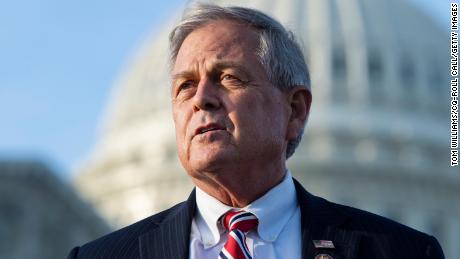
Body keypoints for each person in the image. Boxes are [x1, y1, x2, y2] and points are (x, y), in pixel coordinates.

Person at [68, 3, 444, 259]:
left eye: (228, 78)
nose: (201, 99)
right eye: (185, 86)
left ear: (295, 110)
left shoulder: (400, 251)